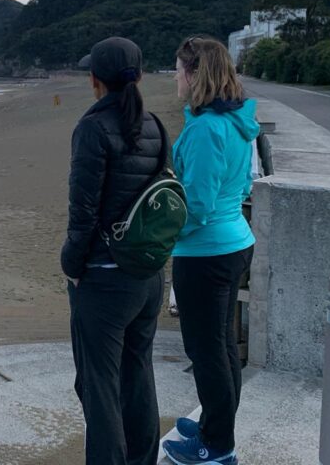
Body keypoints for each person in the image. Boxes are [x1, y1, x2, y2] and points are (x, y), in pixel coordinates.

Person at [61, 36, 166, 465]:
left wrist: (72, 265)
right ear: (138, 76)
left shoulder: (92, 128)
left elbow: (82, 211)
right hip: (148, 275)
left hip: (105, 279)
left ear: (95, 80)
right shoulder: (156, 125)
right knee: (137, 375)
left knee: (99, 387)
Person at [162, 37, 258, 465]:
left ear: (196, 74)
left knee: (206, 352)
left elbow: (197, 205)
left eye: (180, 69)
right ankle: (216, 428)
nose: (176, 77)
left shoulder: (205, 128)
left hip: (206, 254)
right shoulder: (238, 120)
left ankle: (217, 446)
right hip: (235, 242)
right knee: (220, 346)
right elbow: (243, 187)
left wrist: (162, 233)